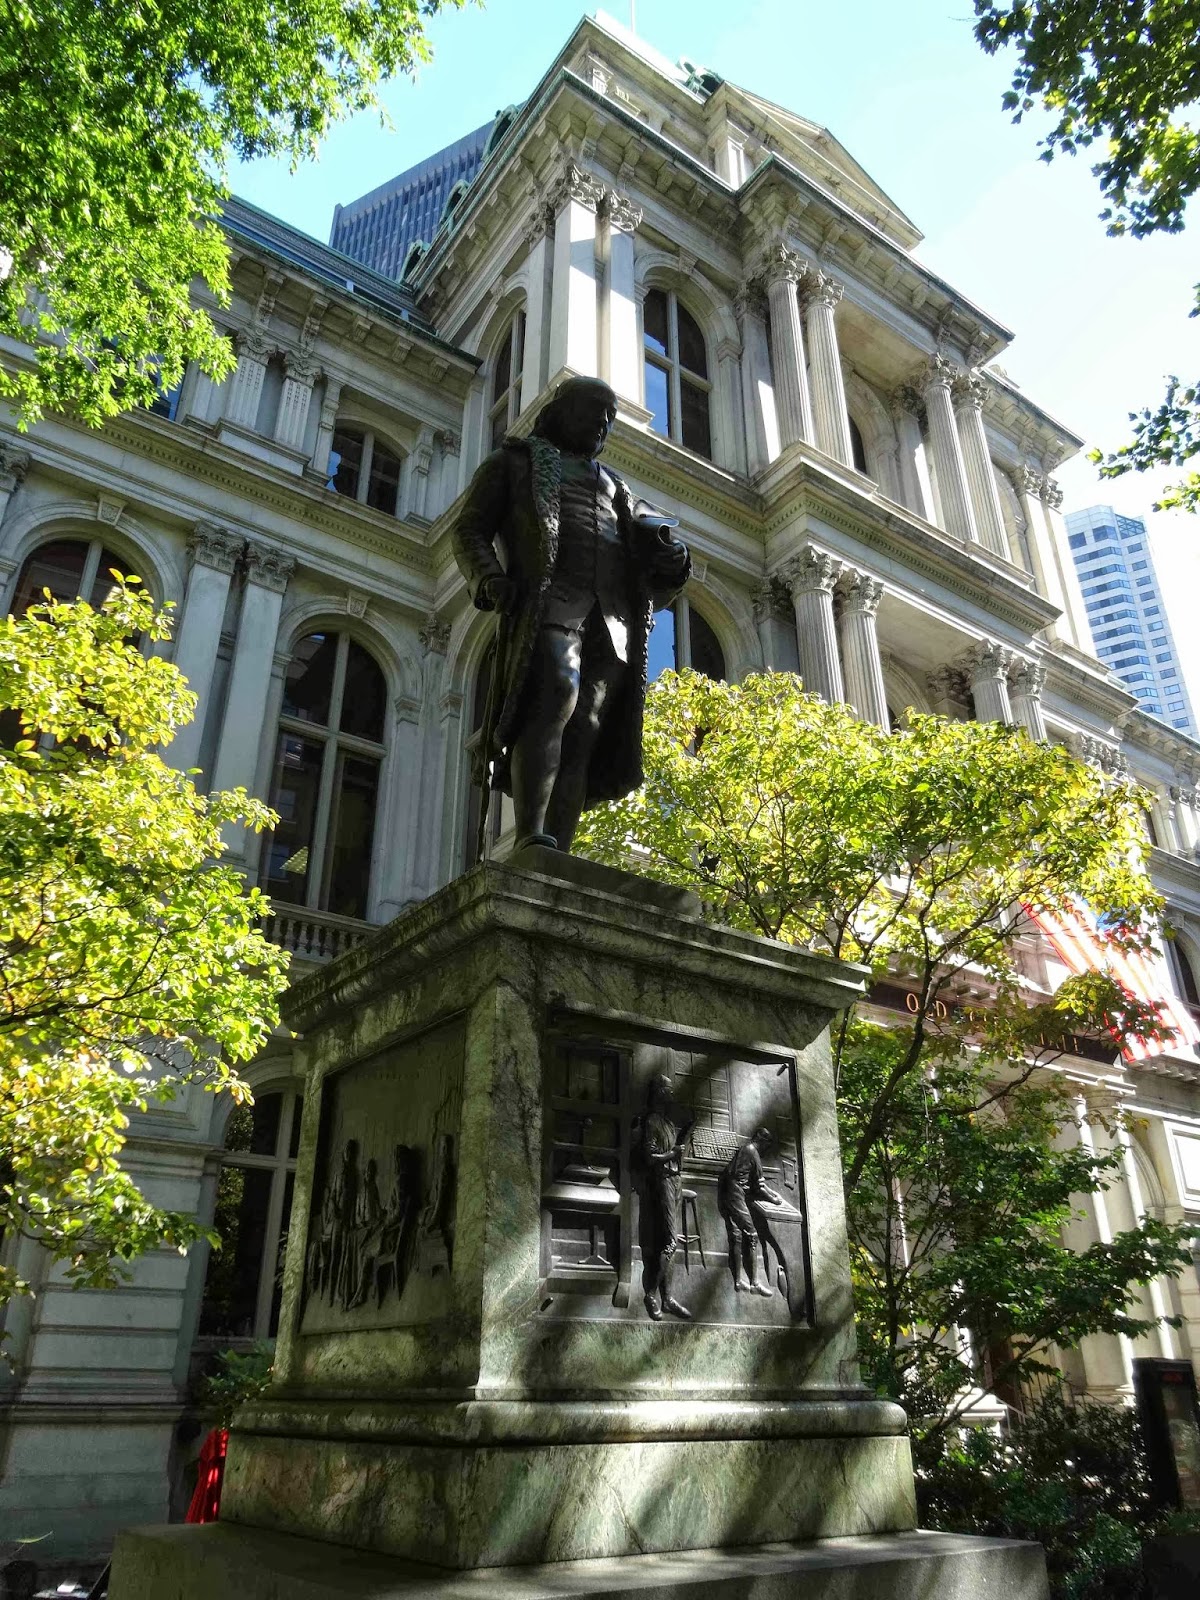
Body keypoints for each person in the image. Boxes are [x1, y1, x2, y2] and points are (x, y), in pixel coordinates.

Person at [452, 376, 690, 854]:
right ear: (560, 411)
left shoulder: (619, 490)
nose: (603, 422)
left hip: (612, 619)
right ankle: (530, 836)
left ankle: (558, 848)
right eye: (593, 410)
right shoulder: (513, 463)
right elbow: (469, 529)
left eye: (610, 417)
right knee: (557, 692)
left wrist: (675, 560)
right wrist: (489, 578)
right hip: (549, 603)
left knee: (587, 725)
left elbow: (649, 562)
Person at [635, 1073, 694, 1321]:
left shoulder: (668, 1123)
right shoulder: (651, 1121)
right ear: (659, 1092)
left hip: (675, 1181)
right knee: (670, 1242)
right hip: (662, 1183)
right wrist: (673, 1154)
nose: (671, 1093)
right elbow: (650, 1158)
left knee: (667, 1243)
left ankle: (667, 1299)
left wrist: (684, 1141)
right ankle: (650, 1295)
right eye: (668, 1089)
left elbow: (675, 1153)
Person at [718, 1128, 784, 1296]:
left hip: (726, 1192)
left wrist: (772, 1193)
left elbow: (757, 1182)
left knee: (736, 1236)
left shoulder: (745, 1148)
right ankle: (754, 1283)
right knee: (752, 1235)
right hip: (735, 1194)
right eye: (767, 1145)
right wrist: (774, 1200)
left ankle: (738, 1281)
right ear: (762, 1141)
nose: (767, 1149)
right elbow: (759, 1186)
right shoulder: (753, 1152)